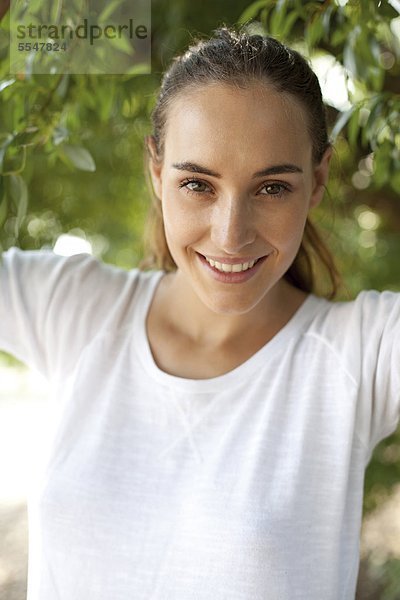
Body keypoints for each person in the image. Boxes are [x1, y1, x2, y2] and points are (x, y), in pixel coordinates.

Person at [0, 24, 399, 600]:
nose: (230, 234)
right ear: (157, 173)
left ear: (317, 182)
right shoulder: (74, 307)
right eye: (197, 184)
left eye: (271, 189)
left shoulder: (362, 353)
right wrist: (116, 24)